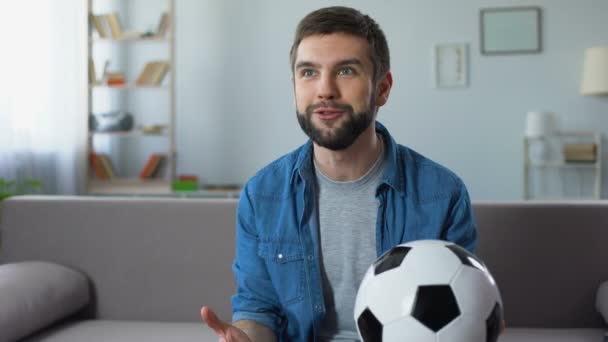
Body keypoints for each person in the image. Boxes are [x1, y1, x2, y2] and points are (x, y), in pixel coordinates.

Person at [201, 6, 477, 342]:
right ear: (295, 86)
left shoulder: (442, 194)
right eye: (308, 73)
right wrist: (246, 337)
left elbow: (458, 310)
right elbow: (259, 309)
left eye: (345, 71)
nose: (325, 90)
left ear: (382, 88)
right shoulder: (262, 194)